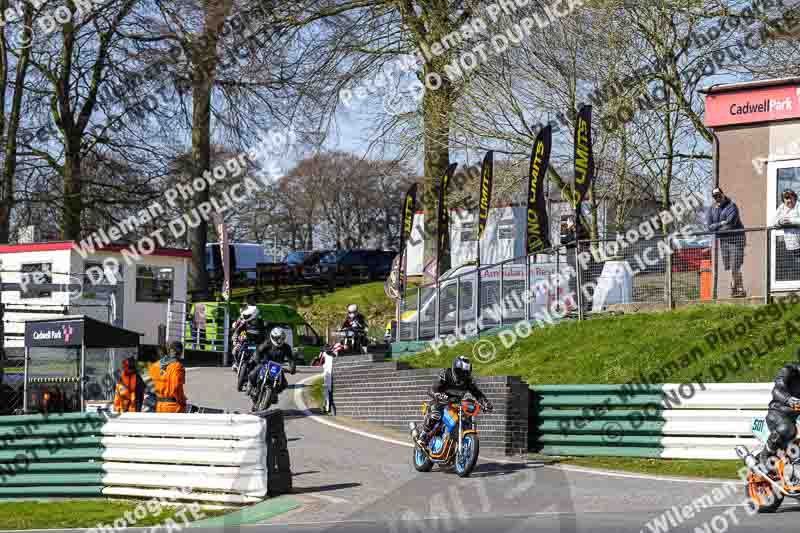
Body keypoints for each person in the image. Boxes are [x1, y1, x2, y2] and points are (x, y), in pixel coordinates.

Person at [416, 356, 493, 447]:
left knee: (466, 418)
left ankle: (459, 442)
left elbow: (477, 393)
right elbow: (432, 389)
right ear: (454, 369)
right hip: (440, 402)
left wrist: (485, 403)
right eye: (460, 371)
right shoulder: (445, 374)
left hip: (455, 405)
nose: (463, 375)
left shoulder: (468, 381)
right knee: (436, 415)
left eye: (466, 372)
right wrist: (438, 395)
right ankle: (423, 435)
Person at [758, 351, 800, 470]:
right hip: (778, 413)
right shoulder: (788, 371)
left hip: (796, 417)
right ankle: (765, 455)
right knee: (788, 429)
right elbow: (777, 390)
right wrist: (788, 400)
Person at [707, 187, 746, 297]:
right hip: (724, 241)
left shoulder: (731, 206)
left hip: (736, 239)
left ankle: (737, 288)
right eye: (715, 196)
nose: (717, 198)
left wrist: (717, 227)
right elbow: (709, 226)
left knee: (735, 265)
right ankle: (738, 289)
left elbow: (730, 224)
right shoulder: (712, 209)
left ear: (723, 194)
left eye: (719, 195)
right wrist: (721, 223)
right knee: (730, 266)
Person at [246, 327, 296, 401]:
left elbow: (291, 359)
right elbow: (258, 351)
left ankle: (274, 393)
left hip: (277, 367)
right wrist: (258, 360)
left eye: (281, 338)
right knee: (253, 373)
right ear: (273, 337)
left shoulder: (286, 347)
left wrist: (292, 368)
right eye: (278, 338)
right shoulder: (267, 343)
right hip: (265, 363)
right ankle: (251, 385)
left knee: (284, 384)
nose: (279, 340)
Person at [235, 306, 270, 391]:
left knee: (258, 360)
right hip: (247, 342)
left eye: (249, 316)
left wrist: (265, 343)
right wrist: (236, 336)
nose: (247, 318)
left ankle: (255, 377)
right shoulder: (246, 323)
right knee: (237, 351)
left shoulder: (262, 323)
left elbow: (267, 334)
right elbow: (238, 330)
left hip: (258, 344)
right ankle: (237, 364)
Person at [149, 341, 188, 413]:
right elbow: (176, 387)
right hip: (173, 406)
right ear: (180, 352)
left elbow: (150, 386)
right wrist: (182, 403)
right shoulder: (177, 367)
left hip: (159, 405)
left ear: (169, 351)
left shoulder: (155, 366)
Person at [772, 189, 800, 281]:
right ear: (783, 199)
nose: (789, 200)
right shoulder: (781, 207)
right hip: (789, 244)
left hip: (798, 241)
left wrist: (791, 221)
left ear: (794, 198)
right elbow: (773, 221)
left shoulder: (798, 205)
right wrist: (780, 222)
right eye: (786, 198)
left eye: (791, 198)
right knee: (794, 267)